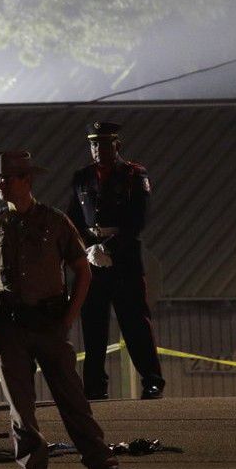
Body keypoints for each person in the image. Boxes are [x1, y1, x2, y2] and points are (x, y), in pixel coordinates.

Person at [0, 150, 136, 469]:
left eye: (7, 178)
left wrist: (68, 318)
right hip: (8, 327)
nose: (0, 184)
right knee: (22, 410)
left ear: (27, 181)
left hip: (48, 324)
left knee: (73, 402)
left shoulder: (55, 221)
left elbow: (83, 270)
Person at [67, 121, 165, 400]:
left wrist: (108, 248)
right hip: (91, 258)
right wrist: (87, 248)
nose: (98, 149)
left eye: (104, 143)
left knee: (134, 321)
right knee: (93, 324)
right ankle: (95, 385)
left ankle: (152, 380)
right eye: (94, 144)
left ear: (117, 146)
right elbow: (73, 218)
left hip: (123, 257)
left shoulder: (134, 175)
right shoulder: (82, 177)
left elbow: (138, 219)